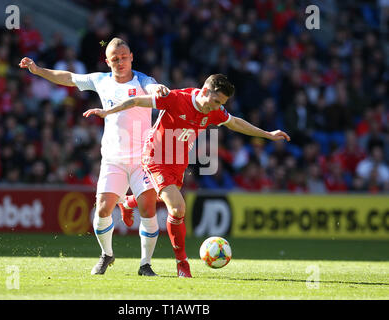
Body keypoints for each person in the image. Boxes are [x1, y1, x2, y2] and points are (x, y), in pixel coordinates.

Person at [84, 74, 291, 277]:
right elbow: (137, 100)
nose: (217, 107)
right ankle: (182, 263)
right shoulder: (176, 98)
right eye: (216, 100)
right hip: (155, 157)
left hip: (177, 163)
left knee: (161, 198)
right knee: (177, 207)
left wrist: (267, 134)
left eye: (222, 103)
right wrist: (108, 111)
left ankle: (129, 202)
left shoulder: (214, 111)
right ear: (204, 91)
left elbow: (235, 123)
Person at [19, 38, 170, 276]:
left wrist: (159, 89)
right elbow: (68, 77)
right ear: (108, 61)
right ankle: (106, 255)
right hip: (113, 159)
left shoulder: (143, 80)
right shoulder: (101, 80)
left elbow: (154, 88)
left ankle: (145, 264)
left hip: (143, 160)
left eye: (124, 57)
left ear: (131, 57)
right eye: (115, 59)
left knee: (148, 209)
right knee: (102, 209)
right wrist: (38, 70)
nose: (120, 62)